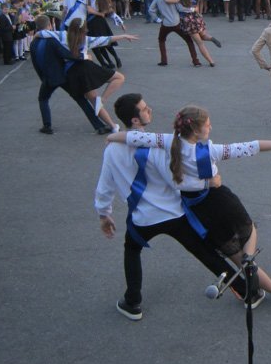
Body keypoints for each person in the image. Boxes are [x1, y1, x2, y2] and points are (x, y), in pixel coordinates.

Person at [110, 104, 271, 307]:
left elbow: (132, 137)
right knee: (250, 230)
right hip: (221, 201)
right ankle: (257, 266)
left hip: (201, 212)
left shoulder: (168, 141)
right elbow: (251, 146)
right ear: (196, 130)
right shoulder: (209, 151)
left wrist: (112, 137)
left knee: (235, 256)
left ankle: (269, 283)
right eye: (207, 125)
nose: (210, 127)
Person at [95, 94, 250, 320]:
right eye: (144, 109)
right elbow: (175, 181)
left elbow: (105, 184)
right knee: (204, 252)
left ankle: (133, 301)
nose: (150, 110)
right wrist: (209, 182)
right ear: (135, 120)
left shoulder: (112, 149)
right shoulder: (156, 147)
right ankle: (246, 291)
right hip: (174, 212)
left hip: (142, 217)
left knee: (132, 250)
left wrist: (104, 213)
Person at [30, 15, 108, 135]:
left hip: (48, 78)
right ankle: (99, 126)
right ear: (50, 25)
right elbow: (66, 54)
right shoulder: (52, 41)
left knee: (43, 99)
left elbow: (36, 63)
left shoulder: (33, 43)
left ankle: (47, 125)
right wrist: (84, 56)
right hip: (62, 75)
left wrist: (43, 78)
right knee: (81, 99)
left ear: (37, 27)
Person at [61, 19, 138, 131]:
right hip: (85, 67)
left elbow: (44, 33)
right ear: (84, 30)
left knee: (93, 100)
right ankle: (102, 100)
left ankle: (113, 126)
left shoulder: (62, 37)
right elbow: (105, 39)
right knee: (119, 78)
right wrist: (123, 36)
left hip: (72, 72)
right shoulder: (86, 40)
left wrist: (38, 34)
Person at [148, 0, 201, 67]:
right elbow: (181, 8)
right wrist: (193, 9)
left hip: (165, 23)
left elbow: (151, 10)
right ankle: (196, 61)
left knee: (161, 40)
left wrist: (158, 20)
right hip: (177, 22)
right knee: (189, 40)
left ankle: (164, 60)